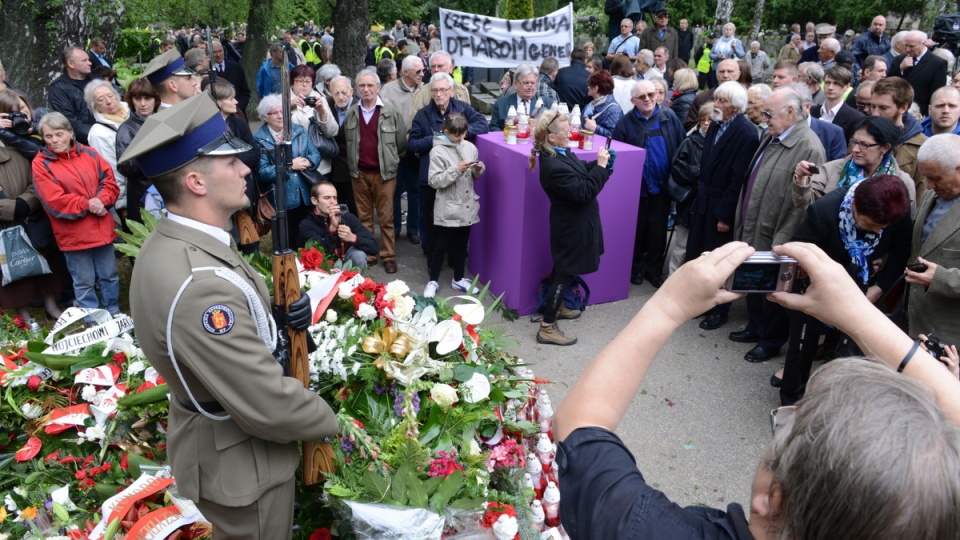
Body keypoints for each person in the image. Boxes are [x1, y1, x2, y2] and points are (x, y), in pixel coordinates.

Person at [553, 240, 960, 540]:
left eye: (786, 426)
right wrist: (857, 312)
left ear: (774, 498)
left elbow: (579, 427)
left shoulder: (647, 529)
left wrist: (668, 307)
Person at [117, 93, 338, 539]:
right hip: (243, 465)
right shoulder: (201, 285)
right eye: (231, 162)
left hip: (225, 448)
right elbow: (266, 404)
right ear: (197, 182)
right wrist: (335, 419)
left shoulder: (184, 244)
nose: (245, 170)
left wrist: (277, 322)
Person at [777, 175, 912, 402]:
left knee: (847, 344)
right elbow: (798, 252)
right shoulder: (824, 211)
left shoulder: (895, 211)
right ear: (854, 207)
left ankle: (832, 400)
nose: (878, 232)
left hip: (863, 284)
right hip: (814, 287)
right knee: (802, 346)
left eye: (883, 228)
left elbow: (900, 252)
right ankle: (792, 398)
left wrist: (878, 288)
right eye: (870, 225)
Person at [731, 87, 826, 357]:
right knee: (754, 279)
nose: (764, 117)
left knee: (772, 289)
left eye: (769, 113)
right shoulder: (771, 135)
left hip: (776, 233)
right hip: (754, 223)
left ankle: (770, 341)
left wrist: (784, 240)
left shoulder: (808, 146)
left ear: (791, 112)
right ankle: (755, 326)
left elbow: (804, 204)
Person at [529, 110, 611, 345]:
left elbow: (579, 171)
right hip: (571, 228)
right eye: (566, 132)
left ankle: (561, 307)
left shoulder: (559, 153)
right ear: (551, 137)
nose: (571, 134)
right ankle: (547, 327)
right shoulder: (553, 166)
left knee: (563, 269)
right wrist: (601, 168)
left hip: (574, 224)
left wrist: (598, 163)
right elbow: (584, 192)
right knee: (564, 273)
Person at [685, 82, 760, 329]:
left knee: (718, 257)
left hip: (721, 203)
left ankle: (719, 309)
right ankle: (697, 300)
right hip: (704, 198)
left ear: (736, 106)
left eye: (722, 101)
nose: (716, 105)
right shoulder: (716, 123)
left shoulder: (746, 133)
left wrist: (725, 215)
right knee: (698, 251)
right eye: (716, 99)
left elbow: (738, 178)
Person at [32, 112, 120, 316]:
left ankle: (113, 313)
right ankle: (93, 321)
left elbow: (109, 182)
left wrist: (102, 200)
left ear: (71, 133)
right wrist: (89, 204)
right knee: (84, 282)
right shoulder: (41, 164)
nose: (54, 140)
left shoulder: (89, 153)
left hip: (101, 229)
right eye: (48, 136)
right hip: (74, 234)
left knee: (110, 275)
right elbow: (54, 200)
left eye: (59, 134)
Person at [613, 79, 685, 288]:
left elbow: (681, 149)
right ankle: (635, 268)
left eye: (651, 95)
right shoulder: (624, 124)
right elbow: (617, 156)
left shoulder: (669, 118)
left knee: (657, 232)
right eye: (642, 97)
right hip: (636, 189)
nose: (647, 99)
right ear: (633, 100)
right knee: (635, 230)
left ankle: (653, 269)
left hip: (662, 188)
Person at [408, 73, 488, 258]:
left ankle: (454, 258)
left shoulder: (463, 109)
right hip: (432, 177)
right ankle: (432, 258)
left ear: (451, 91)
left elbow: (483, 125)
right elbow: (412, 144)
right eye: (435, 90)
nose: (439, 94)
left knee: (456, 222)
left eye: (443, 89)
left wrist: (460, 133)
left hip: (458, 180)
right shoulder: (423, 114)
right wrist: (439, 138)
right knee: (431, 221)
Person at [344, 70, 407, 273]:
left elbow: (401, 143)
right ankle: (370, 253)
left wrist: (390, 162)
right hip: (359, 174)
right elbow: (348, 143)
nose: (366, 89)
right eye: (362, 86)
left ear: (378, 88)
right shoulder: (352, 112)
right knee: (364, 218)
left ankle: (388, 255)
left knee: (386, 218)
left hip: (384, 175)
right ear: (356, 89)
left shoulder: (390, 112)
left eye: (371, 85)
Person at [793, 116, 916, 211]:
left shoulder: (903, 182)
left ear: (885, 148)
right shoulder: (832, 169)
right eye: (854, 142)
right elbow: (804, 203)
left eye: (864, 145)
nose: (856, 149)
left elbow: (905, 227)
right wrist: (802, 179)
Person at [422, 114, 485, 298]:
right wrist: (456, 169)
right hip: (447, 206)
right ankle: (432, 280)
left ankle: (458, 279)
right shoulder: (438, 151)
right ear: (446, 132)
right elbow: (434, 181)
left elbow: (476, 177)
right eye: (456, 135)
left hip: (466, 206)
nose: (460, 138)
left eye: (463, 134)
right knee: (440, 245)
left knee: (461, 245)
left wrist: (478, 168)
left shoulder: (470, 147)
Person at [0, 146, 65, 322]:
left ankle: (51, 307)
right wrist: (7, 209)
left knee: (43, 261)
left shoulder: (15, 155)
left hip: (27, 219)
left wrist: (23, 204)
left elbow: (36, 183)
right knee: (9, 271)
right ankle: (24, 316)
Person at [908, 134, 960, 346]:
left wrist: (939, 278)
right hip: (917, 323)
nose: (928, 186)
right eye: (926, 177)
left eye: (936, 179)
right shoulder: (932, 195)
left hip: (951, 335)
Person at [254, 93, 323, 248]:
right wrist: (290, 166)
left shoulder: (298, 130)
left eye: (283, 112)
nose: (280, 116)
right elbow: (262, 172)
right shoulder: (259, 139)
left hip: (305, 191)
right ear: (265, 117)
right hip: (280, 196)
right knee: (285, 240)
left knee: (307, 236)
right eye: (274, 113)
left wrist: (310, 162)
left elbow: (315, 154)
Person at [206, 80, 262, 254]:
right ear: (217, 102)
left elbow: (254, 153)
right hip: (218, 190)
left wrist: (230, 160)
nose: (236, 102)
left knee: (249, 238)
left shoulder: (239, 123)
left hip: (243, 187)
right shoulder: (204, 128)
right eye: (231, 98)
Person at [666, 102, 713, 275]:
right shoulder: (690, 141)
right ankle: (673, 280)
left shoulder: (720, 144)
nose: (706, 123)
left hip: (707, 204)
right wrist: (698, 172)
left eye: (710, 119)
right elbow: (677, 167)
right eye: (703, 119)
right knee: (681, 245)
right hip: (690, 202)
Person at [869, 76, 928, 202]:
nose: (875, 113)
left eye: (883, 108)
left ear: (903, 108)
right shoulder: (861, 135)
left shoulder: (922, 145)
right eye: (873, 106)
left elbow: (921, 195)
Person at [298, 181, 377, 267]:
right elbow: (324, 252)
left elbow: (374, 247)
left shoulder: (348, 217)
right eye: (327, 198)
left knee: (359, 255)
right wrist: (333, 229)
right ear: (314, 201)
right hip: (323, 267)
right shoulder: (306, 225)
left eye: (335, 198)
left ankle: (357, 280)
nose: (333, 202)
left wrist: (353, 238)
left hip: (347, 263)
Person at [115, 78, 159, 224]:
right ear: (131, 101)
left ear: (155, 99)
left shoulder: (162, 121)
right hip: (143, 195)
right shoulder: (126, 129)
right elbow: (125, 167)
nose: (143, 104)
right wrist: (149, 150)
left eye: (147, 98)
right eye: (137, 98)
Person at [84, 80, 129, 220]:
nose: (109, 102)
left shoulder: (131, 110)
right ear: (95, 106)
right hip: (130, 190)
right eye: (101, 100)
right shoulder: (98, 133)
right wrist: (122, 203)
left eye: (110, 96)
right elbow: (111, 170)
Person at [289, 65, 338, 181]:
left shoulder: (320, 99)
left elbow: (332, 132)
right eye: (300, 81)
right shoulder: (282, 100)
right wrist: (289, 107)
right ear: (292, 82)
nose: (304, 84)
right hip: (294, 161)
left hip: (320, 165)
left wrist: (322, 112)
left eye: (308, 81)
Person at [887, 30, 947, 116]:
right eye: (906, 45)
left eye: (911, 46)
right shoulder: (899, 60)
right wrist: (900, 69)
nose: (907, 49)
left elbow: (937, 94)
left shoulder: (938, 63)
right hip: (896, 110)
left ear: (924, 43)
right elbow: (888, 83)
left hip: (919, 113)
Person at [47, 46, 96, 144]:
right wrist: (97, 133)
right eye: (84, 60)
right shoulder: (58, 88)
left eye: (88, 60)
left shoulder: (97, 80)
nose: (89, 63)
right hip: (85, 141)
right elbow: (69, 121)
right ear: (71, 63)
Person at [489, 63, 554, 131]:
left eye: (533, 83)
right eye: (526, 83)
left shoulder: (548, 104)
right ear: (516, 84)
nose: (530, 86)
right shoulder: (501, 104)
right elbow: (493, 128)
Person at [811, 66, 865, 141]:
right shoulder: (811, 111)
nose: (830, 87)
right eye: (827, 82)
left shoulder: (856, 118)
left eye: (836, 84)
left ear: (847, 86)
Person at [0, 90, 46, 161]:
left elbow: (65, 133)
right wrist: (4, 132)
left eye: (22, 108)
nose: (21, 114)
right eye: (13, 113)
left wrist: (34, 128)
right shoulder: (7, 134)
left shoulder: (43, 114)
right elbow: (39, 154)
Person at [211, 40, 251, 114]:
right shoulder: (208, 70)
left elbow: (245, 92)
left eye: (220, 51)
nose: (218, 54)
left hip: (238, 112)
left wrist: (238, 107)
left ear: (224, 51)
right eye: (214, 52)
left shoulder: (236, 67)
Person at [582, 71, 623, 139]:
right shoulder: (591, 104)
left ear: (595, 88)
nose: (588, 87)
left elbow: (615, 137)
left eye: (590, 85)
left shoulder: (614, 110)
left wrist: (595, 128)